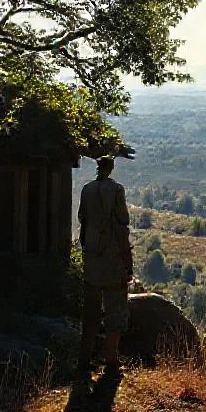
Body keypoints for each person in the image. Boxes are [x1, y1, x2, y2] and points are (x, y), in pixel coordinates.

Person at [77, 155, 133, 378]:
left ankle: (84, 359)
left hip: (92, 259)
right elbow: (122, 225)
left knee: (90, 312)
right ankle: (111, 360)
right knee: (115, 312)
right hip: (113, 261)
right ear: (111, 168)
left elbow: (82, 220)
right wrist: (128, 263)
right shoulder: (116, 190)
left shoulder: (87, 190)